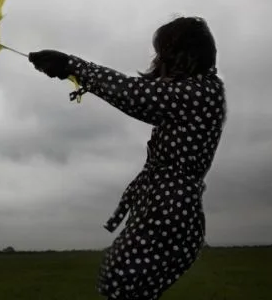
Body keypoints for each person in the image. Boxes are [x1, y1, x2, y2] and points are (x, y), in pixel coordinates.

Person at [28, 16, 227, 300]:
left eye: (163, 53)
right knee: (121, 284)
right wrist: (70, 69)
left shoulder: (199, 92)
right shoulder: (201, 91)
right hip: (165, 208)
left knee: (119, 285)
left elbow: (131, 94)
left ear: (182, 55)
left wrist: (70, 66)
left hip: (169, 212)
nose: (158, 60)